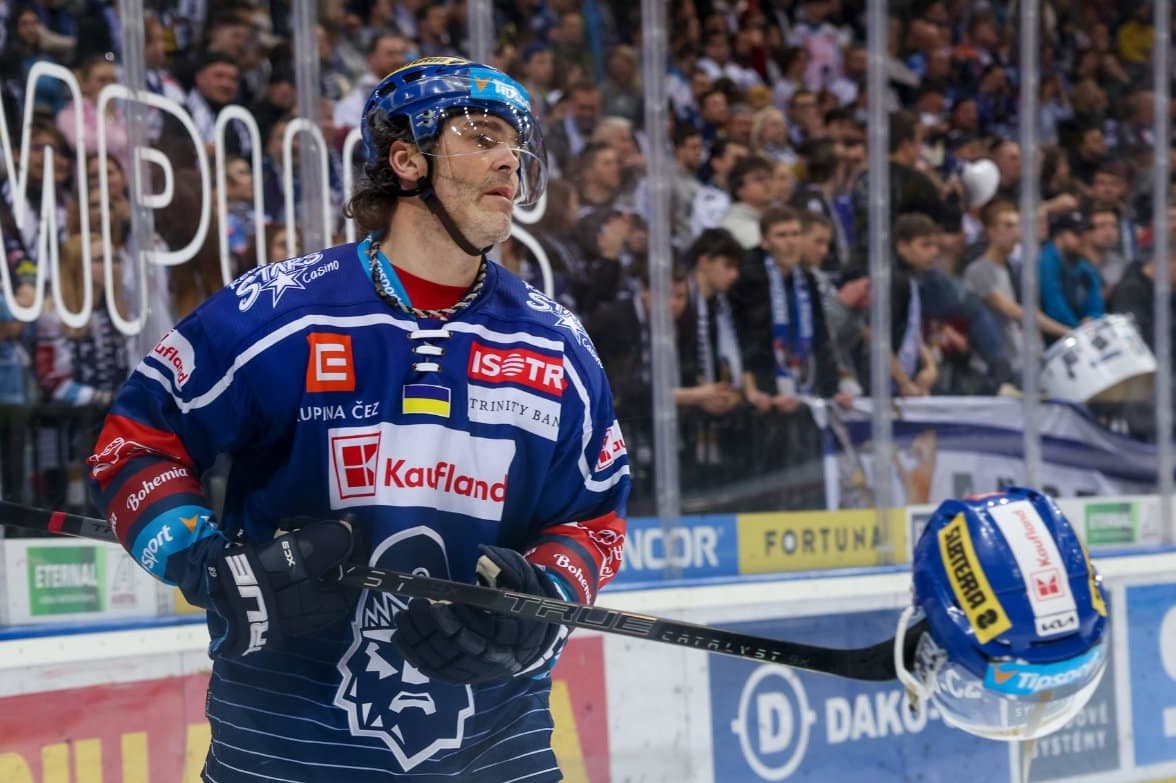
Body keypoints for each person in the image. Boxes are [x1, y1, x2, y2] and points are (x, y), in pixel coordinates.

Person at [86, 57, 629, 783]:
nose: (511, 158)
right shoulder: (279, 312)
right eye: (482, 134)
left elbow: (594, 516)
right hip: (281, 753)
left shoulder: (555, 343)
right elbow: (133, 443)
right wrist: (206, 563)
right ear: (406, 159)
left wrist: (546, 600)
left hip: (497, 755)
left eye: (518, 145)